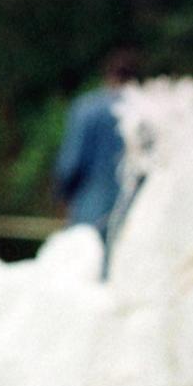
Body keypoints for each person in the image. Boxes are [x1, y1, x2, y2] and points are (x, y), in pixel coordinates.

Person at [54, 50, 141, 242]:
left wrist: (62, 196)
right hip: (136, 214)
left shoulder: (87, 108)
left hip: (90, 211)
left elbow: (71, 164)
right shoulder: (147, 112)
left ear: (108, 74)